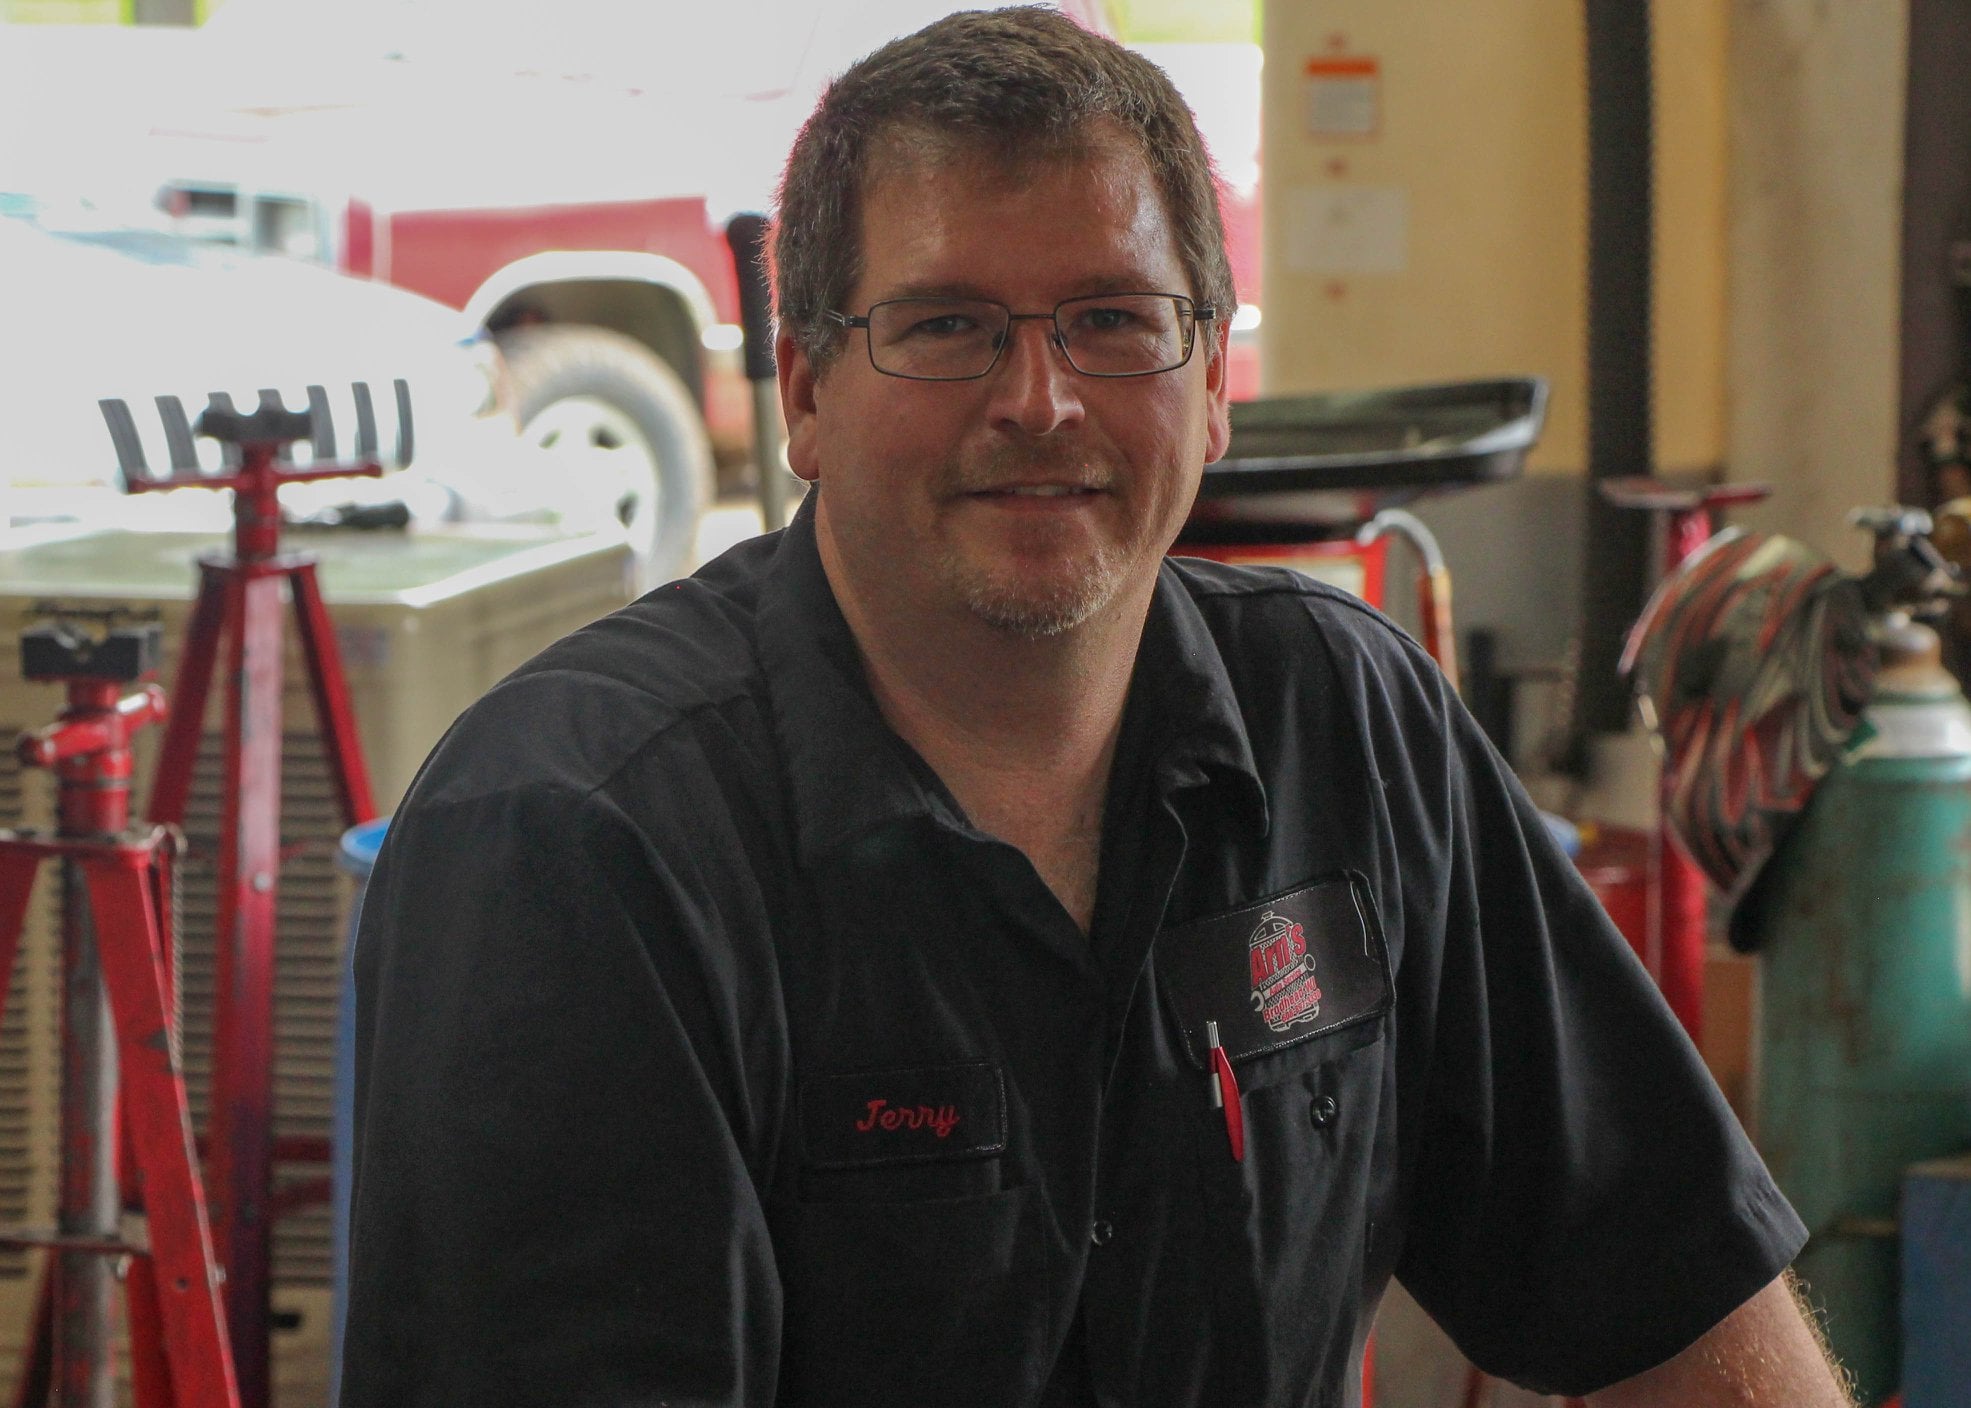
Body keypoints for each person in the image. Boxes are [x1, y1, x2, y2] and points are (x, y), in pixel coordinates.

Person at [342, 9, 1854, 1406]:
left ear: (1214, 386)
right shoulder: (575, 842)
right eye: (946, 326)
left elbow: (1679, 1292)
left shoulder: (1349, 724)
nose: (1040, 401)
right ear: (802, 390)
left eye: (1115, 320)